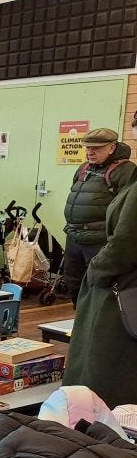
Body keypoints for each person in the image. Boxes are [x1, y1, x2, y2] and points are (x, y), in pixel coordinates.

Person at [63, 176, 137, 406]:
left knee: (104, 373)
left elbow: (124, 244)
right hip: (122, 285)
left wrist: (96, 268)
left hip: (121, 290)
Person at [62, 128, 137, 305]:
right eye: (88, 148)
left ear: (111, 147)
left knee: (97, 286)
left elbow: (127, 208)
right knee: (73, 283)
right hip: (74, 237)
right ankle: (80, 317)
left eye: (96, 148)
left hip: (99, 241)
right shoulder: (83, 168)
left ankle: (93, 320)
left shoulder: (125, 170)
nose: (90, 152)